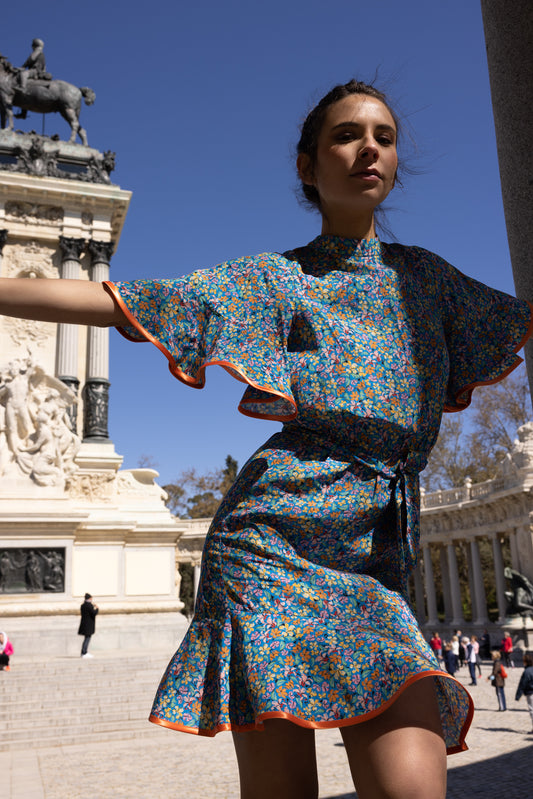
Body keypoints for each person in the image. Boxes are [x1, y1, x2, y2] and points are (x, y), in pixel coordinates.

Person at [0, 77, 531, 799]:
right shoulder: (275, 280)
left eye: (383, 136)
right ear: (307, 166)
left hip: (374, 568)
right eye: (346, 134)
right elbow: (123, 302)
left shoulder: (429, 281)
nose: (368, 148)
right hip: (268, 550)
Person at [515, 653, 533, 733]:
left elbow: (522, 684)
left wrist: (518, 696)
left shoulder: (526, 672)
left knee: (532, 710)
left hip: (530, 692)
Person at [78, 593, 98, 658]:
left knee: (86, 638)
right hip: (88, 625)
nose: (92, 599)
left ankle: (84, 652)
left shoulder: (83, 605)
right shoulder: (89, 606)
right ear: (89, 599)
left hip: (84, 624)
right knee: (87, 638)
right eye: (91, 598)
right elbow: (94, 613)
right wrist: (97, 608)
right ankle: (84, 652)